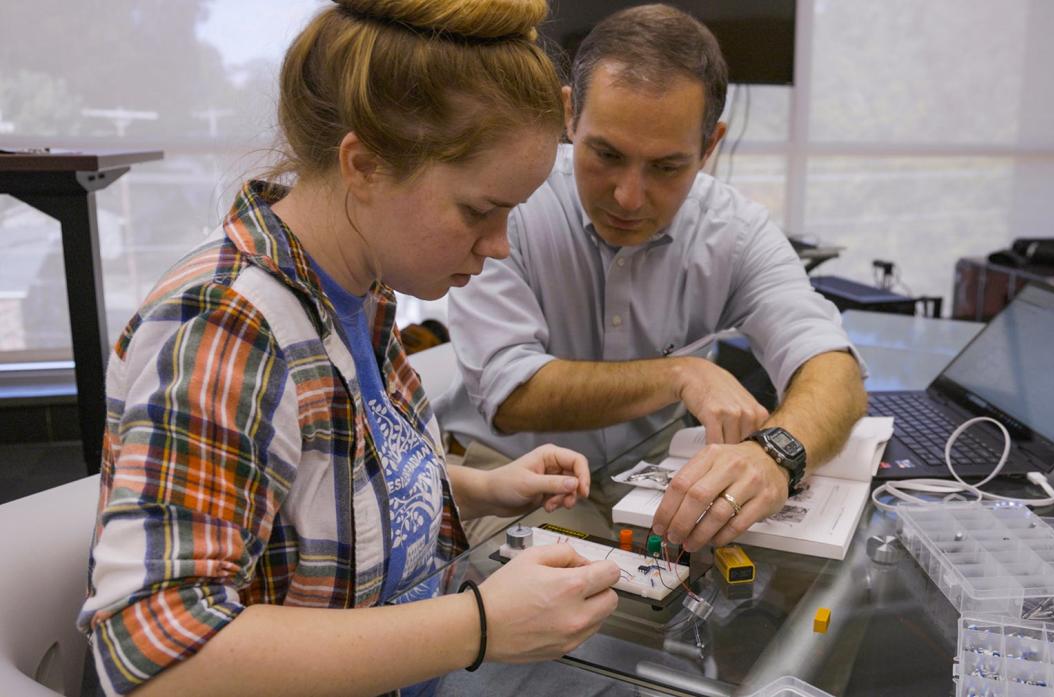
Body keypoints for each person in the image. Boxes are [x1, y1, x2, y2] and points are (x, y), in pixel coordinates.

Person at [76, 2, 621, 696]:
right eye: (480, 211)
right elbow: (156, 655)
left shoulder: (359, 294)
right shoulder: (225, 326)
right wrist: (479, 624)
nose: (499, 245)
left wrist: (484, 485)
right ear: (363, 165)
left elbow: (315, 483)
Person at [438, 4, 868, 554]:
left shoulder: (732, 229)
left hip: (651, 473)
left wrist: (774, 455)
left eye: (666, 167)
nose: (628, 197)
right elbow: (511, 391)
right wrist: (678, 375)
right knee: (587, 602)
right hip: (512, 478)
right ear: (569, 116)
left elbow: (832, 366)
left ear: (710, 145)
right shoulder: (511, 203)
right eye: (606, 154)